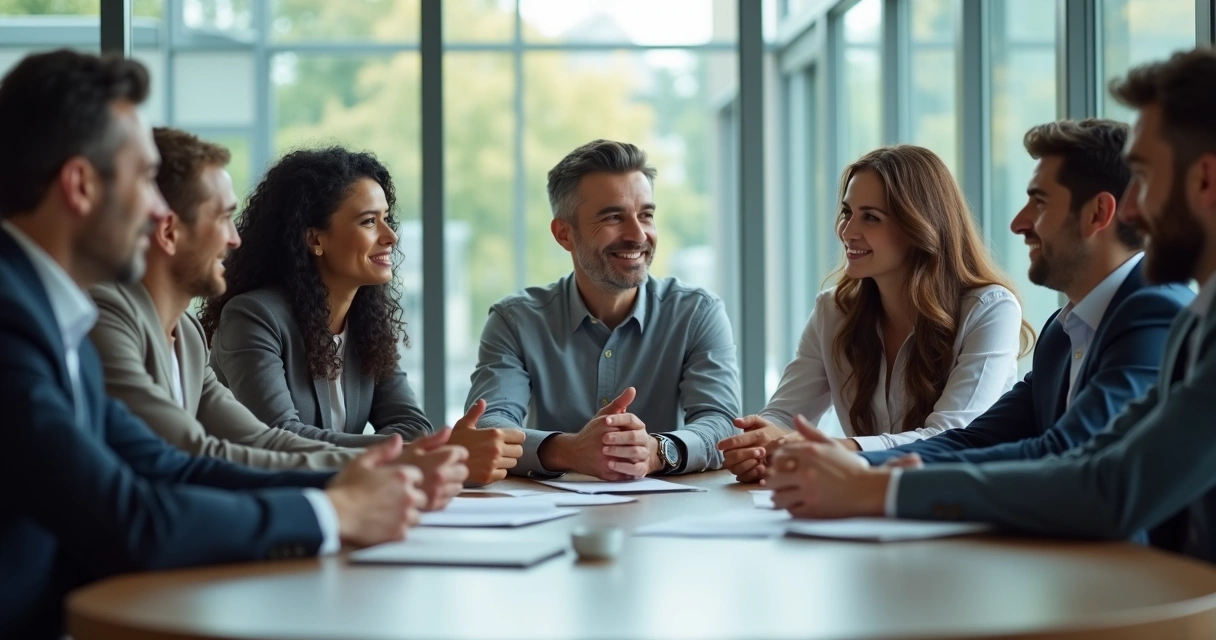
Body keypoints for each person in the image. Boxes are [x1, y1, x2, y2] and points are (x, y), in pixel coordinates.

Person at [0, 50, 431, 639]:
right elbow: (130, 516)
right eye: (145, 180)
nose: (158, 212)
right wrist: (332, 511)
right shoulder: (16, 320)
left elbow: (167, 464)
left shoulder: (52, 314)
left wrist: (348, 484)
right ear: (79, 185)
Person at [769, 48, 1216, 565]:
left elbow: (1099, 480)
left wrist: (879, 488)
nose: (1132, 209)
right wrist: (863, 468)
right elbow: (990, 440)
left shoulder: (1157, 312)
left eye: (1143, 177)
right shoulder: (1076, 328)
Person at [87, 127, 467, 509]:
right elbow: (200, 450)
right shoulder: (108, 317)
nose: (235, 239)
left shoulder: (185, 333)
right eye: (222, 218)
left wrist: (404, 461)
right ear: (168, 231)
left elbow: (262, 441)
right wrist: (390, 468)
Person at [857, 120, 1191, 468]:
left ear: (1097, 214)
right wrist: (856, 463)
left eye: (1040, 203)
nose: (1018, 223)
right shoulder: (1061, 333)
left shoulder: (1156, 313)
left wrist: (892, 484)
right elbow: (975, 439)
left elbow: (1067, 453)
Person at [200, 147, 513, 486]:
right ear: (314, 238)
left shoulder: (368, 322)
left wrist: (420, 447)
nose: (390, 236)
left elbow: (411, 423)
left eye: (386, 218)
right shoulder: (254, 317)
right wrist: (421, 451)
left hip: (346, 497)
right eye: (368, 221)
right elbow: (280, 436)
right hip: (267, 502)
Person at [719, 145, 1034, 482]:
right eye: (847, 212)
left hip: (959, 507)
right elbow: (782, 416)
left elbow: (950, 438)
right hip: (863, 506)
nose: (847, 231)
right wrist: (757, 449)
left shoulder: (990, 309)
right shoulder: (833, 311)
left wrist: (834, 449)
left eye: (870, 217)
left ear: (920, 226)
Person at [465, 139, 741, 480]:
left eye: (646, 215)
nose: (638, 234)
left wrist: (657, 451)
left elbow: (722, 423)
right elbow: (488, 426)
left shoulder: (698, 313)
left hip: (664, 517)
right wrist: (570, 451)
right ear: (564, 234)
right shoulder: (515, 321)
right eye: (614, 217)